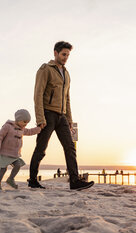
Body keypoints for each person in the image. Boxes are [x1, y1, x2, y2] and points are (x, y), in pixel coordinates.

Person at [29, 41, 94, 190]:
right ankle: (32, 179)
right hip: (47, 114)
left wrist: (69, 119)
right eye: (64, 54)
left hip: (62, 116)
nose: (66, 57)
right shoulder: (45, 69)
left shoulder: (66, 73)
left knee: (70, 147)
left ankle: (74, 181)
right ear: (55, 53)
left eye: (68, 55)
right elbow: (37, 94)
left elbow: (67, 98)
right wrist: (40, 118)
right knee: (41, 148)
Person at [0, 109, 41, 190]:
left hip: (14, 154)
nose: (25, 124)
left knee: (18, 165)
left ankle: (10, 179)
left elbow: (30, 131)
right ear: (18, 119)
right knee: (3, 169)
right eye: (24, 122)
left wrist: (39, 128)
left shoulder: (22, 129)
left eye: (27, 123)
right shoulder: (8, 126)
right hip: (4, 152)